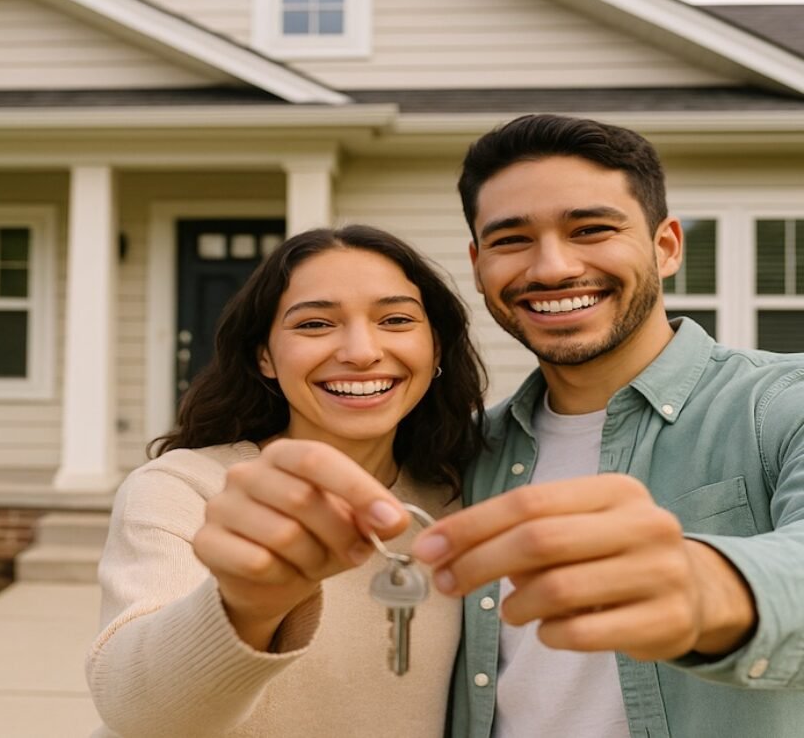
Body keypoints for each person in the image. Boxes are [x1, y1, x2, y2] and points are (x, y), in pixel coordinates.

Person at [410, 114, 804, 738]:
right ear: (478, 263)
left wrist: (706, 583)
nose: (553, 268)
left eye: (590, 229)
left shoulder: (782, 403)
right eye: (511, 240)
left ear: (666, 246)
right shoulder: (462, 455)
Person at [85, 225, 486, 737]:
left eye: (396, 319)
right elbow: (138, 710)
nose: (362, 352)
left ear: (437, 352)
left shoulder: (463, 493)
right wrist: (248, 604)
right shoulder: (182, 487)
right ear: (264, 357)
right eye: (316, 324)